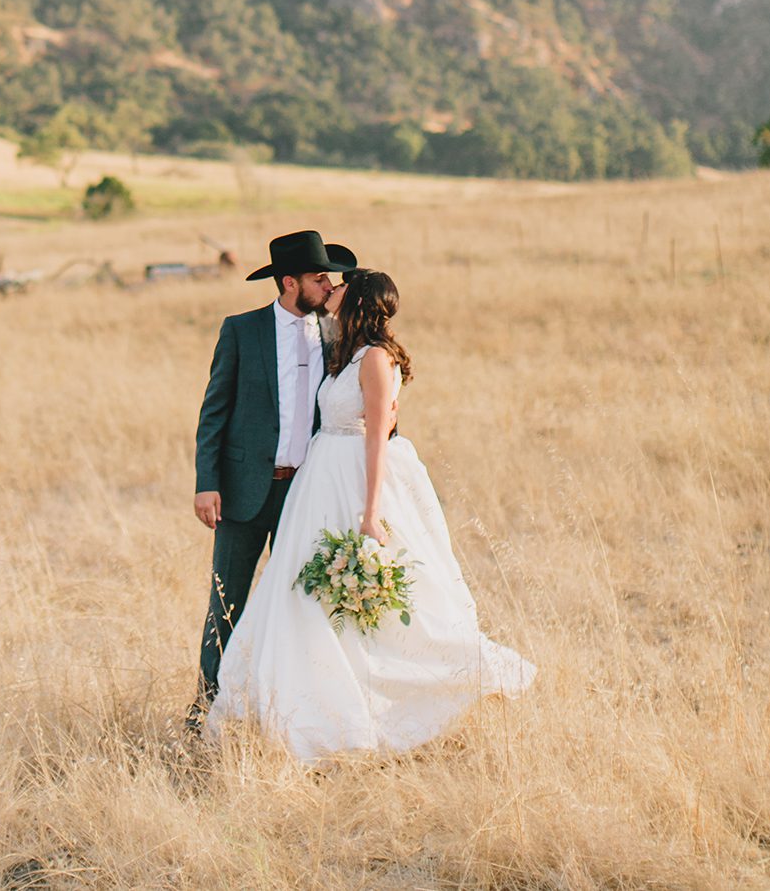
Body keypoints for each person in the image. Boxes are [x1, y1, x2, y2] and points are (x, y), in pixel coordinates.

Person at [205, 268, 536, 761]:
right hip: (318, 486)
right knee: (305, 598)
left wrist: (371, 512)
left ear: (355, 298)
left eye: (338, 286)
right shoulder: (345, 352)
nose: (330, 290)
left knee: (362, 603)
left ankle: (381, 707)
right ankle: (298, 706)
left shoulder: (376, 359)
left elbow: (379, 437)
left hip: (353, 486)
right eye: (325, 282)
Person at [189, 230, 360, 729]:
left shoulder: (336, 334)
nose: (329, 285)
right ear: (289, 282)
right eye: (318, 277)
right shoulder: (241, 330)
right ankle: (206, 713)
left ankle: (291, 718)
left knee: (304, 608)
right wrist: (207, 482)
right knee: (228, 603)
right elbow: (214, 411)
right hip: (242, 492)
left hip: (306, 494)